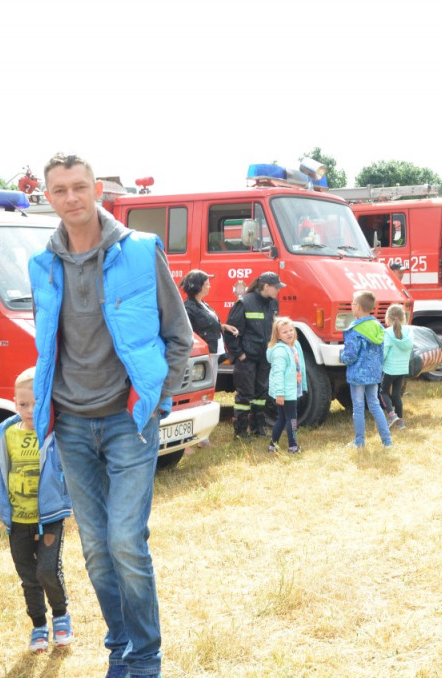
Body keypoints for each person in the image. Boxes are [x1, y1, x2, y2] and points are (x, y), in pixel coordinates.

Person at [28, 153, 192, 678]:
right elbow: (50, 346)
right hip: (71, 424)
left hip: (128, 423)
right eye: (60, 190)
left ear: (96, 189)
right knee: (97, 550)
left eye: (80, 187)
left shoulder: (141, 252)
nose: (71, 198)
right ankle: (120, 645)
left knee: (125, 541)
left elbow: (179, 337)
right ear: (48, 197)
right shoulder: (42, 265)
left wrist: (156, 402)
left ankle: (145, 658)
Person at [0, 367, 74, 654]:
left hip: (49, 518)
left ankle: (60, 615)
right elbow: (4, 473)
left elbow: (69, 470)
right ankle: (38, 625)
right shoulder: (7, 433)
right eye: (23, 404)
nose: (29, 410)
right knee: (29, 577)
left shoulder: (56, 433)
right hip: (18, 521)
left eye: (37, 403)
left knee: (47, 570)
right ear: (14, 402)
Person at [180, 269, 237, 446]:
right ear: (198, 286)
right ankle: (191, 439)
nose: (210, 285)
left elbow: (211, 324)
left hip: (211, 355)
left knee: (208, 395)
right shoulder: (188, 308)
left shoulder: (203, 304)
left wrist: (224, 327)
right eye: (207, 282)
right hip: (201, 358)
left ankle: (202, 436)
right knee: (198, 397)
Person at [225, 272, 284, 438]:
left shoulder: (273, 303)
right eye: (276, 287)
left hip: (264, 357)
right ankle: (241, 431)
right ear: (266, 286)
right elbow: (231, 332)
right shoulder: (244, 303)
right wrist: (239, 355)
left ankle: (258, 428)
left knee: (261, 393)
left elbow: (274, 328)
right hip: (247, 358)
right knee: (245, 394)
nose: (278, 291)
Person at [340, 290, 393, 448]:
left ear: (358, 307)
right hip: (374, 373)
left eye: (353, 303)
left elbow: (350, 355)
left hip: (358, 375)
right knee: (375, 404)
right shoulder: (378, 326)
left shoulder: (354, 329)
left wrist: (341, 357)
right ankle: (387, 441)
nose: (351, 305)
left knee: (358, 407)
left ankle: (359, 441)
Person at [266, 316, 307, 454]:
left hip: (289, 390)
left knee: (283, 418)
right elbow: (278, 374)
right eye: (285, 332)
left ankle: (273, 445)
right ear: (277, 335)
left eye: (291, 330)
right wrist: (280, 393)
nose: (289, 333)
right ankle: (293, 446)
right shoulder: (280, 352)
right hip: (285, 392)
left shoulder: (293, 347)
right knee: (292, 420)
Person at [381, 303, 413, 429]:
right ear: (403, 318)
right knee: (396, 394)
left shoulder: (387, 333)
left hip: (390, 369)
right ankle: (401, 422)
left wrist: (379, 363)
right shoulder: (409, 331)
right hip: (402, 368)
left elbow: (384, 352)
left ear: (388, 318)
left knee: (382, 391)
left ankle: (391, 415)